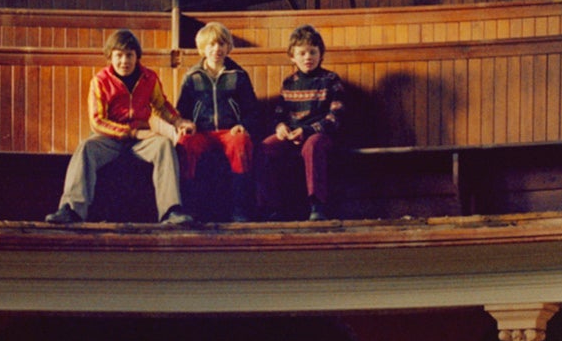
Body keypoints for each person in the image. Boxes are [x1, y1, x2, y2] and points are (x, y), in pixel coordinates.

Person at [45, 28, 189, 225]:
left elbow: (161, 106)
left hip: (141, 141)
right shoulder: (100, 81)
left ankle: (172, 210)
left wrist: (179, 122)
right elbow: (97, 122)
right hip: (110, 139)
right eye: (119, 56)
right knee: (86, 147)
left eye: (129, 55)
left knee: (164, 145)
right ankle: (71, 210)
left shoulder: (149, 78)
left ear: (137, 56)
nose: (124, 61)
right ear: (110, 57)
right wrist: (133, 132)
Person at [258, 23, 348, 220]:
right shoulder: (289, 82)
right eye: (302, 53)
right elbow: (280, 114)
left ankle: (317, 205)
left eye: (313, 52)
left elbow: (335, 118)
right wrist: (281, 127)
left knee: (312, 146)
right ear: (293, 56)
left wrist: (306, 131)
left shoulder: (330, 79)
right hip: (293, 134)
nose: (308, 57)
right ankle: (271, 207)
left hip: (320, 135)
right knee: (265, 148)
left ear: (320, 54)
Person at [174, 22, 259, 223]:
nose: (216, 50)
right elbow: (181, 112)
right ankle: (189, 207)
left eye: (221, 44)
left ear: (228, 47)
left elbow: (252, 110)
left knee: (241, 143)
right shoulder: (192, 76)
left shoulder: (238, 75)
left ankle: (240, 209)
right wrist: (184, 124)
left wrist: (243, 125)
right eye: (211, 45)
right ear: (202, 48)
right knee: (184, 144)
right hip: (201, 132)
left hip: (229, 132)